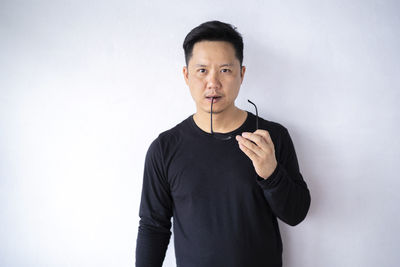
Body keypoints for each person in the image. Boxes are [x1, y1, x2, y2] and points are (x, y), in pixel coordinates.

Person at [135, 20, 311, 267]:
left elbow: (296, 214)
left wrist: (271, 174)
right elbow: (154, 226)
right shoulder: (164, 148)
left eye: (225, 70)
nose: (213, 83)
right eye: (202, 70)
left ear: (242, 73)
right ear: (186, 75)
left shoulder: (271, 136)